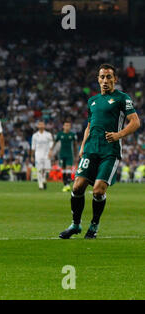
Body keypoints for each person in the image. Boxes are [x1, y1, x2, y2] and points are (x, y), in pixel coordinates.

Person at [60, 64, 140, 239]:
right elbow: (89, 125)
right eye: (102, 77)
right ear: (98, 79)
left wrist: (119, 134)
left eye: (109, 77)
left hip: (109, 151)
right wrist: (82, 146)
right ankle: (75, 225)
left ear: (115, 79)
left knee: (98, 190)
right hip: (90, 149)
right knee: (77, 186)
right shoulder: (92, 101)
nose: (105, 80)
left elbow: (135, 122)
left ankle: (94, 226)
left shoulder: (122, 98)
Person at [49, 121, 78, 192]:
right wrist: (51, 151)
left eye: (68, 125)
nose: (67, 127)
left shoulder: (72, 135)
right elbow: (54, 142)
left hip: (69, 155)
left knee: (68, 169)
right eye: (66, 125)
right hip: (62, 155)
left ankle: (67, 185)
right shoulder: (59, 134)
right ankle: (65, 185)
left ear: (70, 127)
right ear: (63, 126)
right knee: (64, 170)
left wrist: (76, 155)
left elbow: (75, 145)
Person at [30, 121, 53, 190]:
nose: (41, 125)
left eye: (42, 124)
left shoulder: (48, 134)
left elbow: (51, 143)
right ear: (37, 126)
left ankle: (44, 179)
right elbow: (33, 146)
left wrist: (50, 151)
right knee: (39, 169)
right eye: (39, 124)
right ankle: (40, 185)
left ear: (44, 126)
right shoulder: (35, 135)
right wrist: (32, 156)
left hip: (46, 154)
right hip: (38, 154)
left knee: (46, 169)